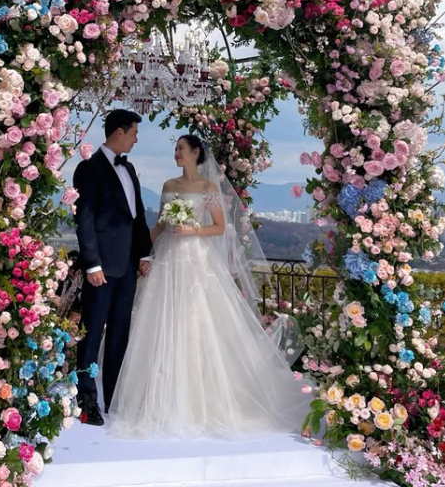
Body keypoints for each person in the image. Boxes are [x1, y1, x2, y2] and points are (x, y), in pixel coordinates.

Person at [109, 134, 311, 438]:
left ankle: (198, 400)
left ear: (195, 153)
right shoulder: (168, 185)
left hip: (195, 259)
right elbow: (160, 225)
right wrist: (144, 253)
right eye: (175, 149)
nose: (176, 153)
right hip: (168, 259)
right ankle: (159, 397)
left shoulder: (207, 188)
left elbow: (219, 227)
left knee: (195, 321)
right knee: (164, 320)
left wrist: (192, 229)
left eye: (180, 149)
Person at [73, 109, 153, 426]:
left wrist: (144, 254)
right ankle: (87, 401)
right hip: (102, 267)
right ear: (119, 132)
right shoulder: (88, 168)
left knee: (120, 334)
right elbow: (84, 219)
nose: (136, 139)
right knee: (92, 334)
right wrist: (92, 263)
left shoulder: (129, 169)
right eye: (134, 133)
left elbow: (137, 216)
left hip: (128, 266)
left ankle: (114, 398)